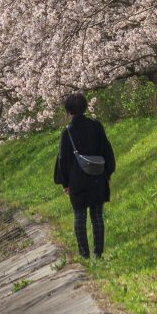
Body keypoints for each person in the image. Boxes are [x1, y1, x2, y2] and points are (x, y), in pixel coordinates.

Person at [52, 91, 115, 259]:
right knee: (97, 216)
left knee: (79, 215)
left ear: (68, 111)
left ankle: (84, 254)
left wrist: (65, 182)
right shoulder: (96, 126)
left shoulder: (68, 132)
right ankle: (98, 253)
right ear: (85, 107)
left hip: (77, 181)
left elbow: (62, 159)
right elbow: (107, 150)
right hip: (97, 178)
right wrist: (108, 172)